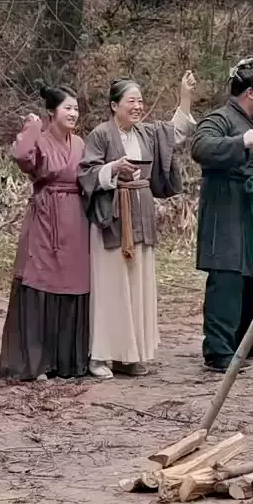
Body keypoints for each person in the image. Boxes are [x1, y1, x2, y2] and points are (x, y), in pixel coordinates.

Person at [79, 72, 196, 379]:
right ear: (114, 105)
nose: (138, 106)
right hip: (112, 216)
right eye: (131, 101)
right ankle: (101, 355)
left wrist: (184, 96)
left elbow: (175, 133)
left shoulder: (146, 133)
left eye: (140, 101)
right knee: (111, 285)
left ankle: (130, 355)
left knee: (137, 284)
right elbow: (87, 173)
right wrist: (112, 168)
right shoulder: (101, 134)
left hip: (141, 212)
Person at [192, 58, 253, 373]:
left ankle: (242, 341)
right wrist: (238, 142)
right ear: (250, 93)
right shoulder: (220, 119)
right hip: (228, 209)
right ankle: (218, 350)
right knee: (227, 278)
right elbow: (200, 147)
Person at [0, 85, 90, 382]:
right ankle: (36, 362)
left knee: (73, 282)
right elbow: (21, 156)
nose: (73, 113)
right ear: (52, 111)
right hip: (46, 218)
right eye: (67, 108)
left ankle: (66, 362)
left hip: (76, 219)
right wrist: (33, 127)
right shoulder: (40, 139)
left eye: (76, 108)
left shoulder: (80, 143)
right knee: (40, 281)